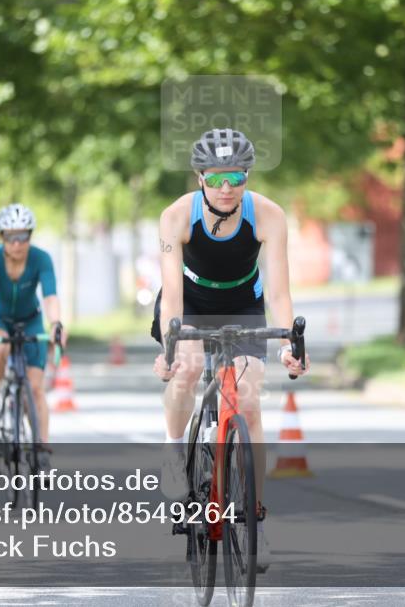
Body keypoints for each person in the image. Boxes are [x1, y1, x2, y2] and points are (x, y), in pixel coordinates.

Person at [150, 128, 310, 571]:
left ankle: (253, 519)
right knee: (187, 368)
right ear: (200, 177)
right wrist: (171, 349)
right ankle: (173, 450)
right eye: (217, 178)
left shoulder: (269, 215)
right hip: (189, 303)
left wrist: (288, 344)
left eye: (236, 177)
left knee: (249, 402)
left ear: (247, 177)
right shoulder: (176, 216)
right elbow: (172, 293)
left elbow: (279, 292)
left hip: (243, 304)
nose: (226, 188)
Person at [0, 204, 66, 462]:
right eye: (11, 237)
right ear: (2, 237)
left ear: (30, 235)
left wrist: (56, 324)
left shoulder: (41, 258)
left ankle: (42, 450)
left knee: (35, 389)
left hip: (30, 319)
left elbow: (50, 296)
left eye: (23, 236)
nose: (17, 243)